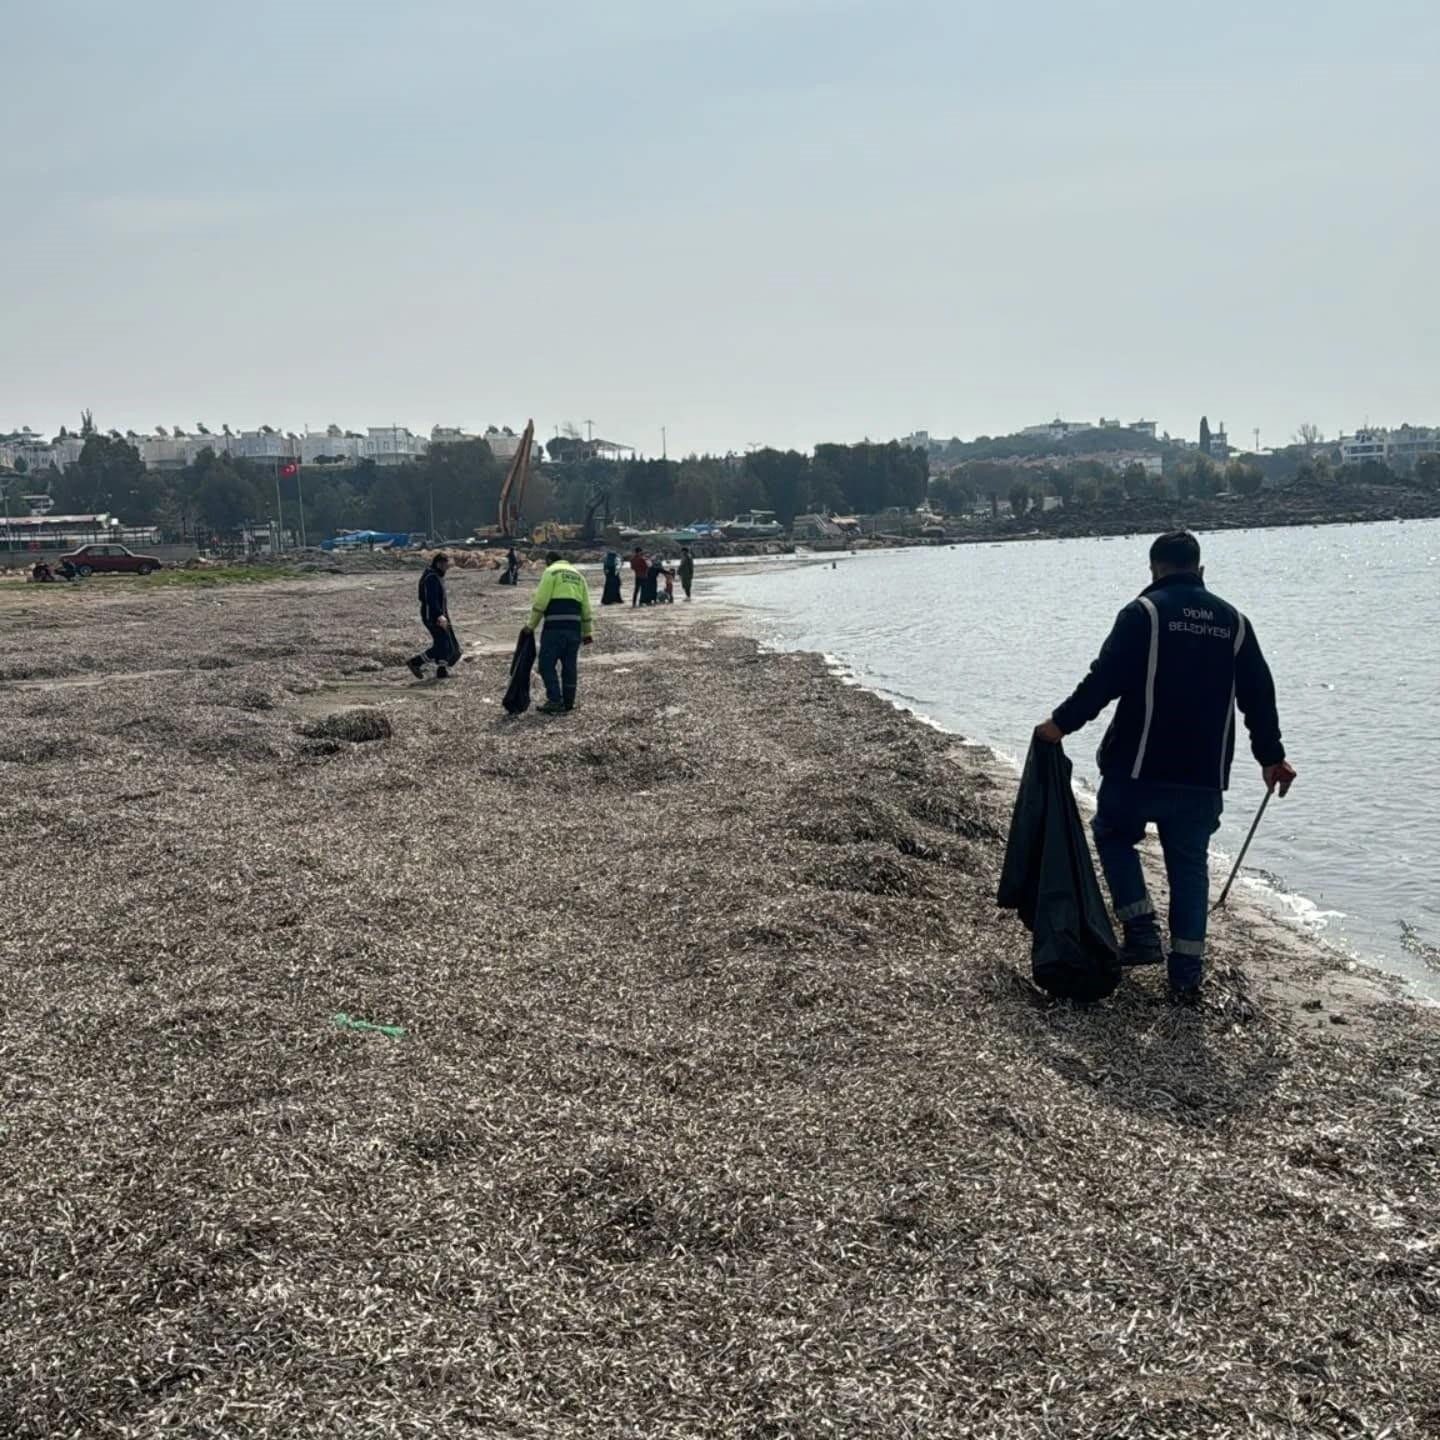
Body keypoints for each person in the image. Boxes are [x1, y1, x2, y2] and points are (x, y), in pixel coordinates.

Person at [1034, 530, 1296, 1004]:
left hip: (1138, 767)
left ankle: (1140, 931)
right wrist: (1271, 757)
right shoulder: (1234, 623)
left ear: (1154, 569)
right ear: (1201, 570)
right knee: (1189, 865)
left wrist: (1059, 725)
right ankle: (1185, 976)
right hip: (1202, 776)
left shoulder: (1143, 615)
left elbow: (1103, 681)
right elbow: (1258, 695)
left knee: (1113, 835)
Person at [525, 550, 594, 714]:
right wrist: (588, 632)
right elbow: (586, 607)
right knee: (569, 666)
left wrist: (531, 626)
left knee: (546, 664)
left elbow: (541, 602)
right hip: (574, 628)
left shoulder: (551, 572)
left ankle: (555, 699)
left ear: (549, 561)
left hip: (555, 628)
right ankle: (569, 701)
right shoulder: (579, 576)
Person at [407, 551, 459, 680]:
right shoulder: (431, 577)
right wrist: (439, 615)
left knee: (445, 643)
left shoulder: (436, 575)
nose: (447, 568)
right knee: (442, 644)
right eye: (446, 565)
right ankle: (415, 662)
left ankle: (442, 670)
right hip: (432, 615)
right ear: (439, 563)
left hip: (440, 614)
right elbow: (431, 599)